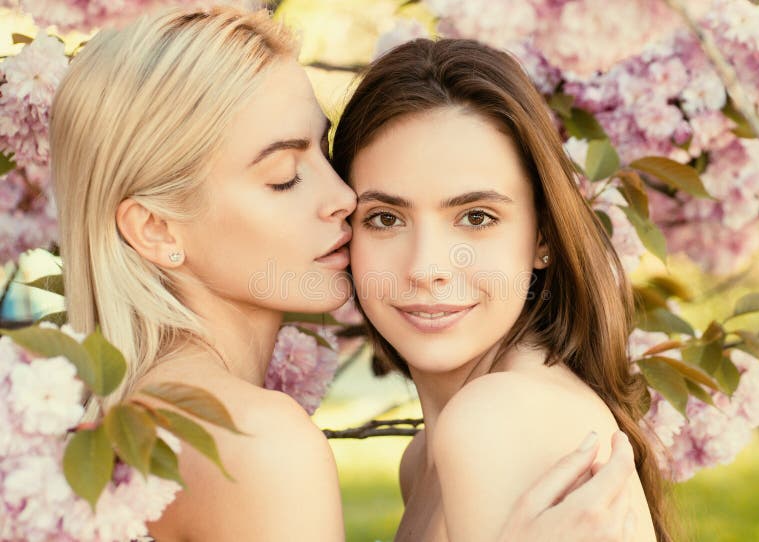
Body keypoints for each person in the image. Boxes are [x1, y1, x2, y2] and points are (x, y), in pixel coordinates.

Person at [50, 6, 640, 540]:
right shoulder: (283, 443)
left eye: (323, 152)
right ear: (156, 228)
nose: (340, 198)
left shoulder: (495, 423)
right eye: (285, 174)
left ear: (542, 233)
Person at [332, 38, 671, 542]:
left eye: (476, 217)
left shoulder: (497, 420)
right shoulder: (424, 457)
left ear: (542, 237)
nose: (427, 268)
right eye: (385, 218)